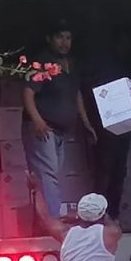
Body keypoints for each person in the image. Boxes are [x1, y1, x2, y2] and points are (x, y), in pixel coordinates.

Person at [22, 19, 97, 221]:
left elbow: (77, 94)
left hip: (62, 131)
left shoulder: (72, 64)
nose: (64, 42)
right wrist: (37, 121)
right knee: (48, 175)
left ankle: (45, 219)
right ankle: (53, 221)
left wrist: (86, 122)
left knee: (51, 175)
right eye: (60, 37)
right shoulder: (42, 62)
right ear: (49, 39)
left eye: (68, 38)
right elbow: (28, 93)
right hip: (43, 128)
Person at [81, 27, 131, 219]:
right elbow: (89, 90)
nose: (126, 48)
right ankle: (98, 216)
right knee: (104, 173)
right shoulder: (103, 66)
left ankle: (113, 215)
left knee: (119, 173)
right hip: (105, 129)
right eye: (123, 44)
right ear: (115, 44)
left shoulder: (128, 67)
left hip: (125, 130)